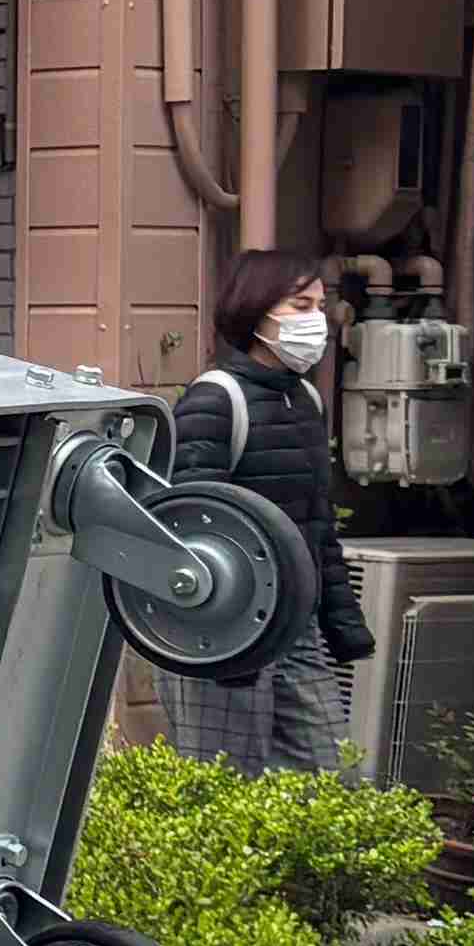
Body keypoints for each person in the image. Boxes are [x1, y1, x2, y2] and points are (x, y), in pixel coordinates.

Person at [153, 245, 371, 773]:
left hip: (295, 621)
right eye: (300, 306)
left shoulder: (306, 400)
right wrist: (218, 638)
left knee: (333, 775)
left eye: (319, 306)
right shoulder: (216, 399)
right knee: (226, 786)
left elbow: (317, 525)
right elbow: (186, 526)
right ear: (258, 311)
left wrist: (341, 620)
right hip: (224, 629)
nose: (315, 320)